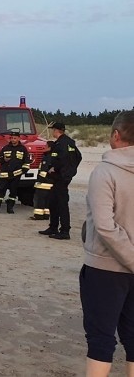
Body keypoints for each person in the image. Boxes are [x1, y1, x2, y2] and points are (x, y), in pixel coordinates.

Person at [79, 110, 134, 376]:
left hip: (106, 269)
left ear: (116, 135)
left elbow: (104, 226)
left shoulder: (105, 172)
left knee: (101, 339)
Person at [40, 122, 82, 240]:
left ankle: (64, 231)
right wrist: (71, 169)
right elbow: (78, 157)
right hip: (60, 177)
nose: (52, 132)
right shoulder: (68, 142)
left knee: (62, 204)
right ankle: (53, 227)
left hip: (61, 177)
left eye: (53, 130)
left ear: (56, 130)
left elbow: (62, 159)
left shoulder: (62, 143)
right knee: (53, 202)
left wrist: (57, 169)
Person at [0, 131, 30, 214]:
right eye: (11, 138)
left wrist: (23, 170)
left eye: (15, 138)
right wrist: (4, 160)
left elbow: (27, 161)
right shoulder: (6, 148)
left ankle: (10, 208)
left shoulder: (23, 149)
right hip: (5, 174)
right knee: (0, 191)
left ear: (18, 138)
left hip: (16, 175)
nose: (13, 140)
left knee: (13, 192)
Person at [30, 140, 56, 220]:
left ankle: (38, 215)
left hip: (43, 183)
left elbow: (44, 171)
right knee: (47, 201)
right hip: (50, 183)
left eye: (45, 146)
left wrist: (39, 180)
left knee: (39, 200)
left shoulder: (47, 157)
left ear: (49, 148)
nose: (44, 147)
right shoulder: (54, 157)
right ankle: (46, 215)